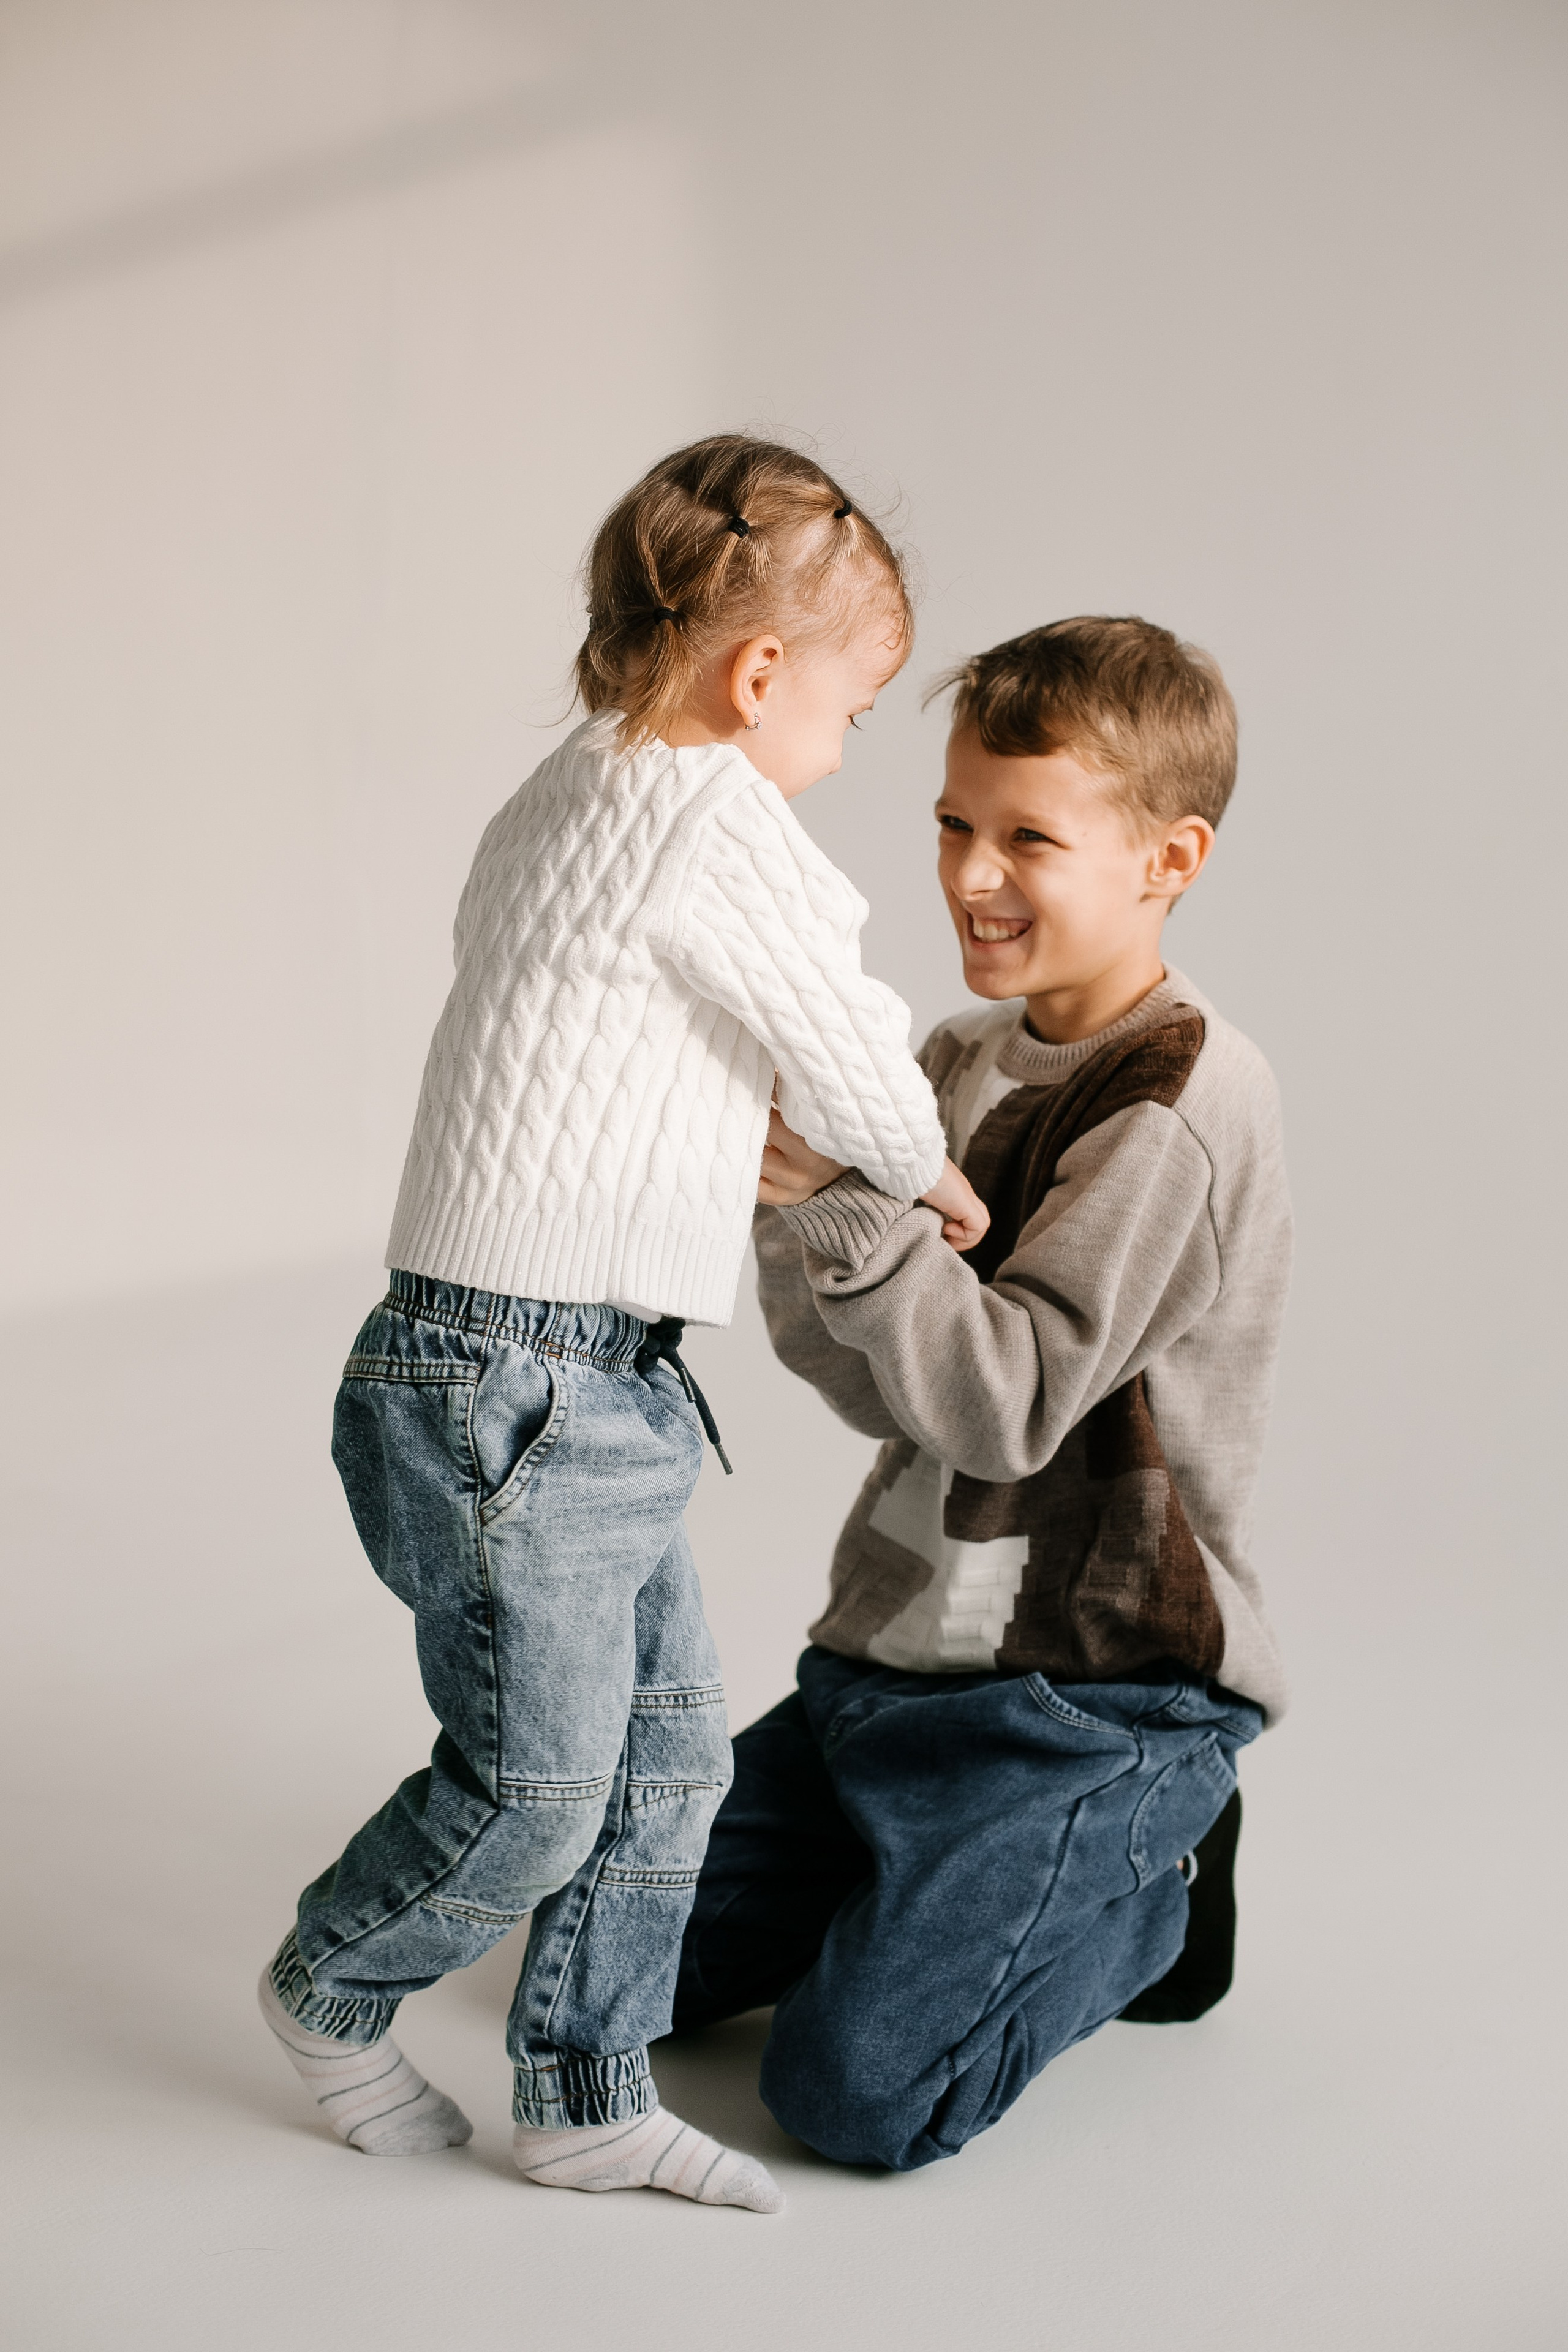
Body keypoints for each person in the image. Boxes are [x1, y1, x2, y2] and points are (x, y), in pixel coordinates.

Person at [258, 434, 988, 2212]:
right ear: (758, 678)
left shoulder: (564, 794)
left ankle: (583, 2090)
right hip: (529, 1380)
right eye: (854, 708)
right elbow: (836, 1023)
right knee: (538, 1787)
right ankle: (329, 1986)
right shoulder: (714, 812)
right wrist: (929, 1171)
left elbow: (581, 1033)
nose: (839, 752)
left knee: (666, 1762)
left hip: (543, 1369)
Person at [673, 616, 1293, 2171]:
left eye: (1029, 836)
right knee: (609, 1966)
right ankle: (919, 1880)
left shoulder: (1180, 1099)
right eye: (953, 821)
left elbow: (1007, 1406)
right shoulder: (951, 1057)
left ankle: (1148, 1876)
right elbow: (875, 1387)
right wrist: (796, 1207)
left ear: (1169, 857)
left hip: (1084, 1688)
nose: (968, 874)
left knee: (851, 2099)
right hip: (889, 1661)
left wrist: (858, 1221)